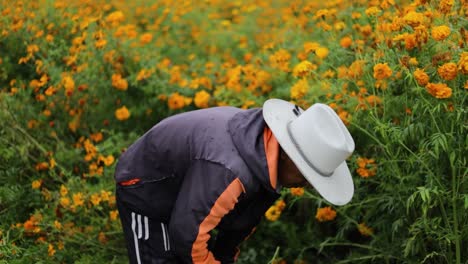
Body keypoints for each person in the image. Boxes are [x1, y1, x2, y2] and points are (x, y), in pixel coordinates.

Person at [114, 98, 355, 264]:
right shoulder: (230, 171)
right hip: (147, 189)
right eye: (308, 174)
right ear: (287, 153)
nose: (309, 185)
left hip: (192, 191)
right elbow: (187, 235)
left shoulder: (262, 153)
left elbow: (237, 228)